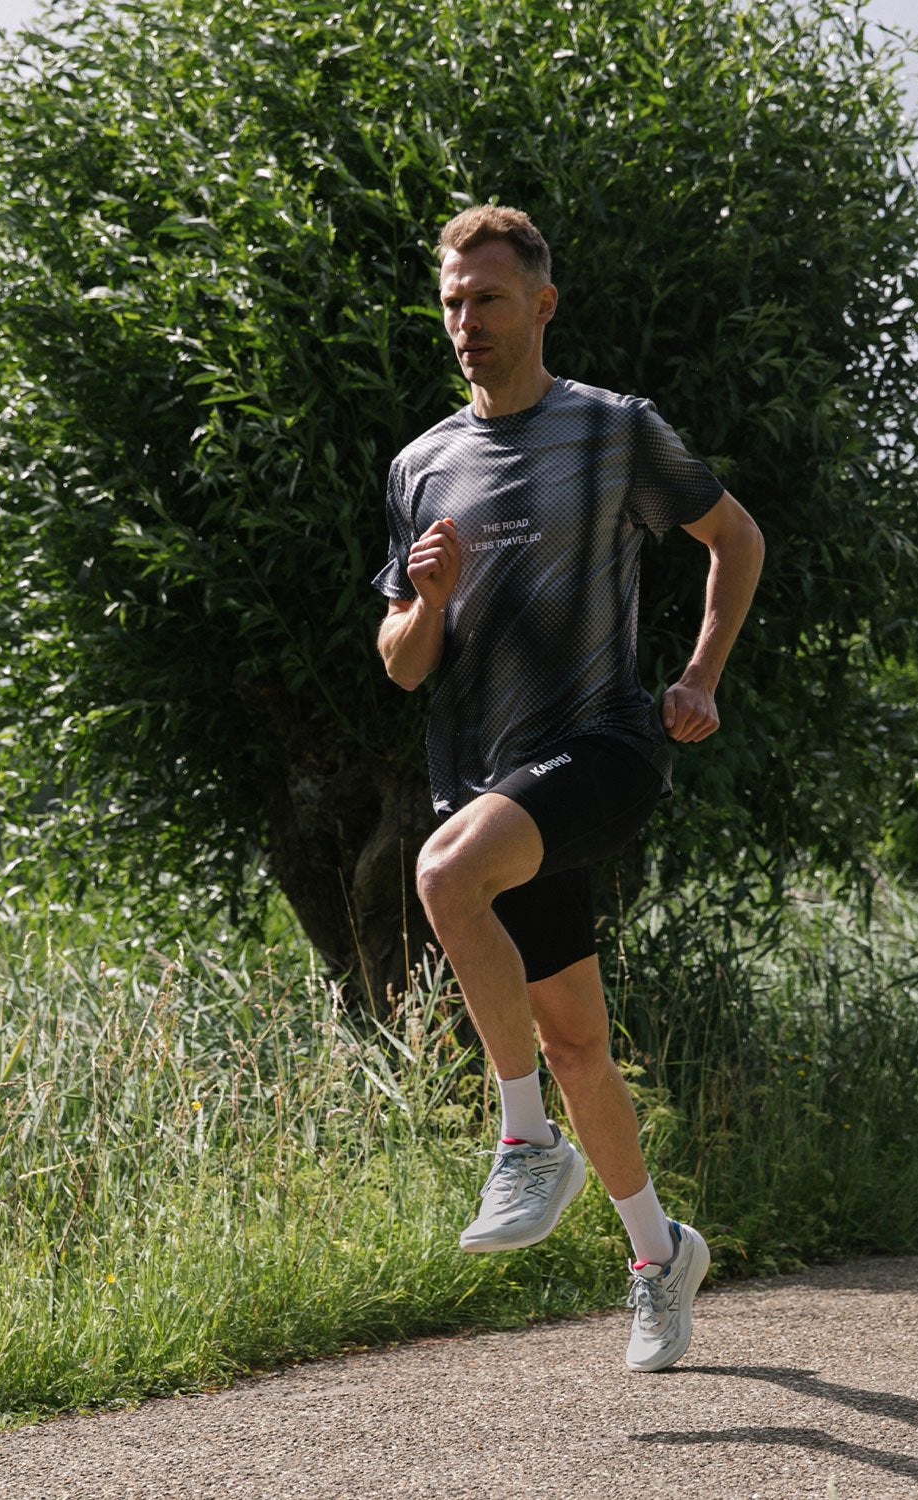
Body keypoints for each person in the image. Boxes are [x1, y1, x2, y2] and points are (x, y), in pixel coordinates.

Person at [373, 205, 763, 1372]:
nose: (466, 322)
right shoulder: (421, 466)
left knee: (443, 873)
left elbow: (734, 539)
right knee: (581, 1043)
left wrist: (698, 677)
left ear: (540, 306)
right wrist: (426, 597)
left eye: (487, 299)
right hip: (489, 780)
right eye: (451, 301)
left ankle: (523, 1138)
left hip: (603, 749)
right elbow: (402, 665)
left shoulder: (612, 431)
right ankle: (659, 1256)